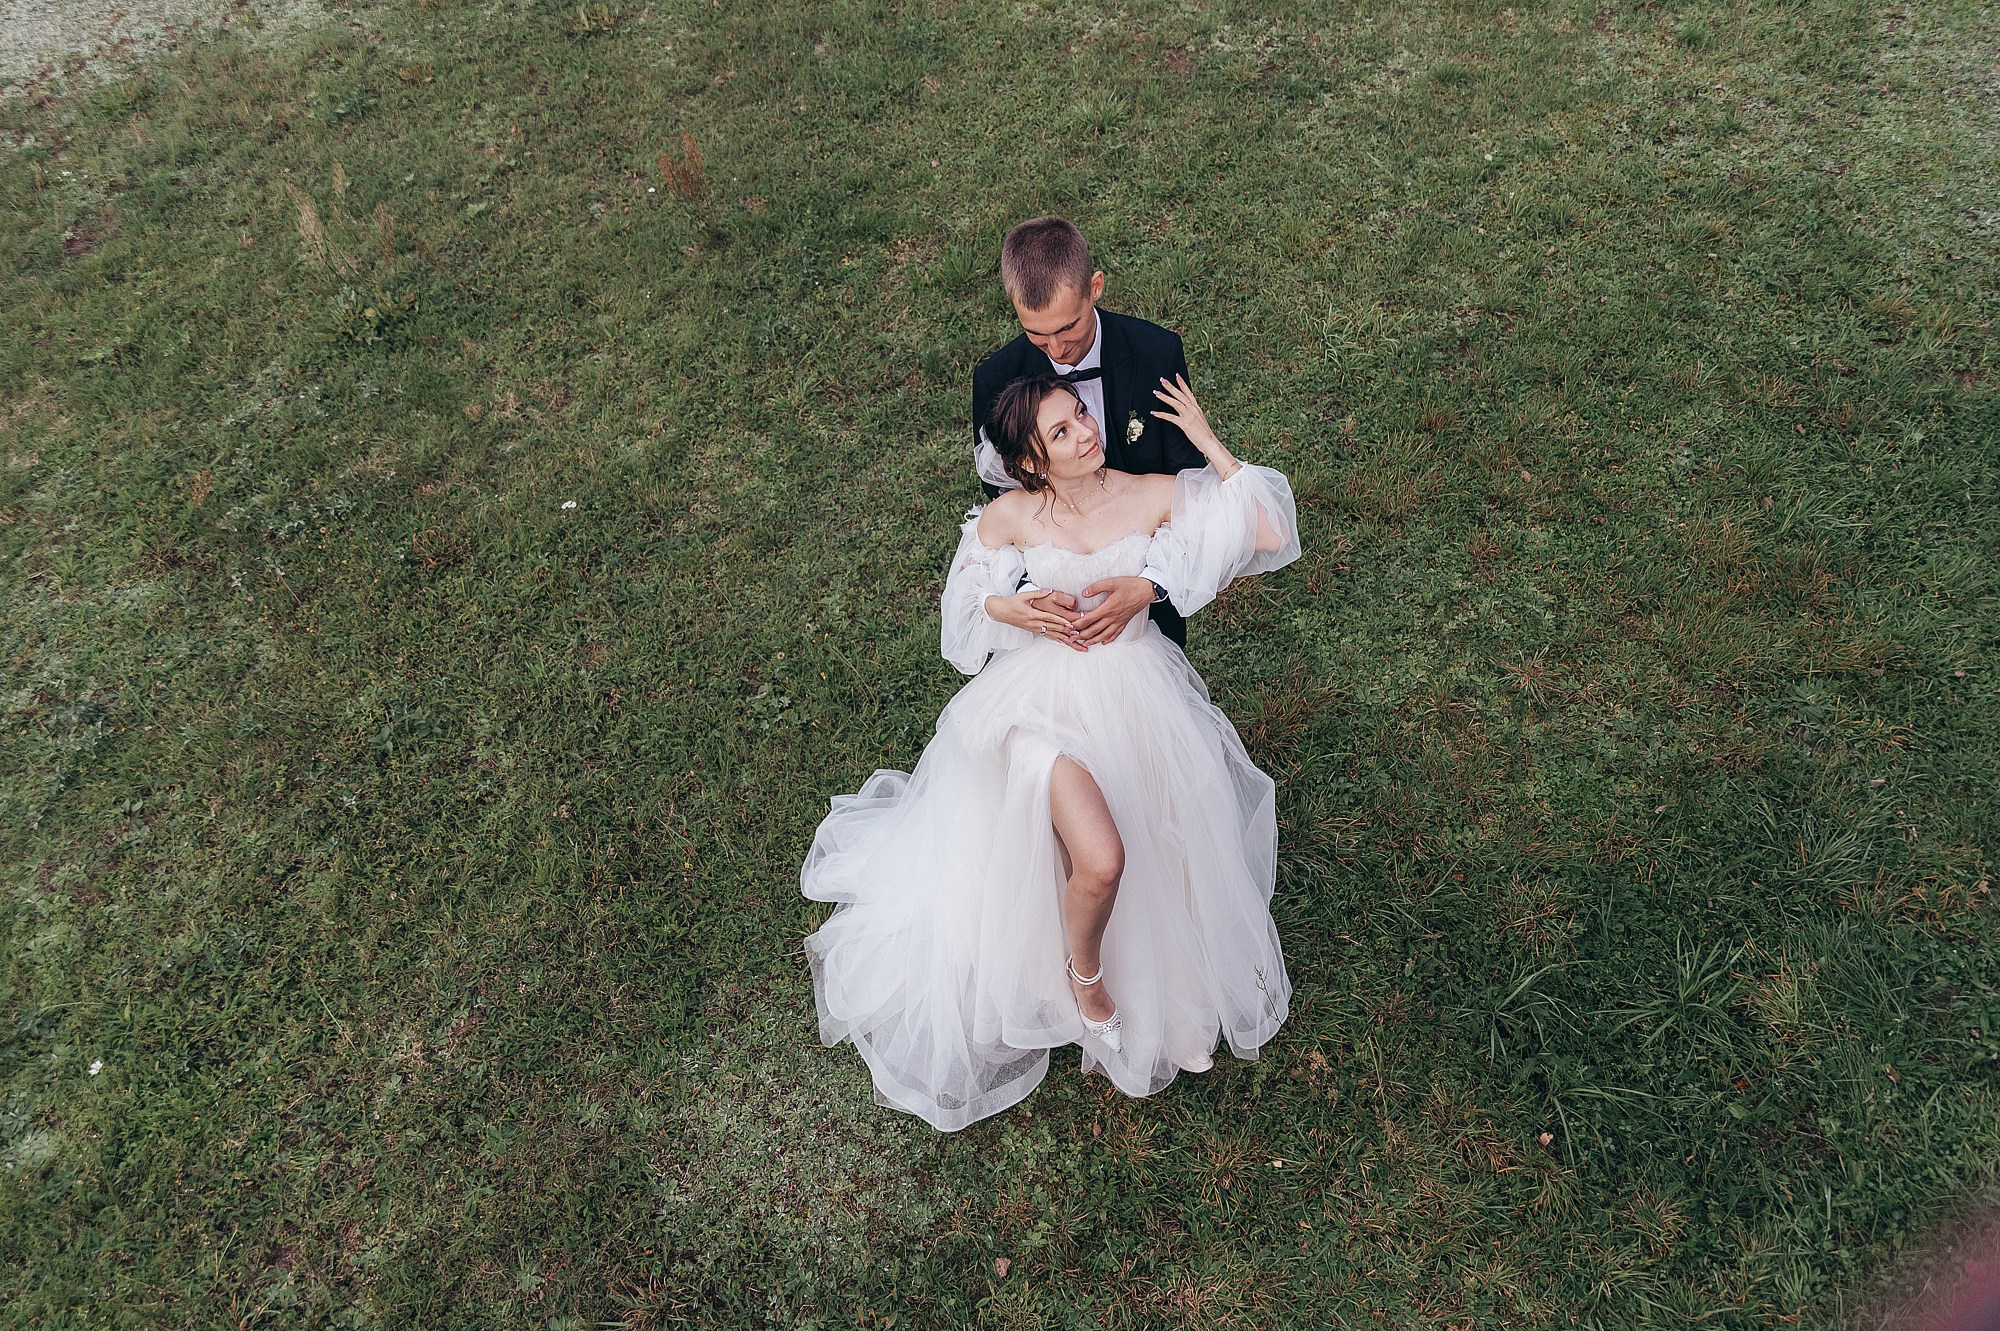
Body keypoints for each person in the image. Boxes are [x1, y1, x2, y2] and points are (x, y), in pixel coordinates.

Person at [802, 372, 1301, 1130]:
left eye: (1079, 414)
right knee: (1102, 858)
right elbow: (965, 611)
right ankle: (1086, 980)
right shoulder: (1011, 515)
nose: (1085, 430)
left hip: (1140, 699)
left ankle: (1164, 986)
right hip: (1038, 710)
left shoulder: (1151, 492)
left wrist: (1208, 444)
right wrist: (1010, 605)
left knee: (1165, 841)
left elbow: (1266, 531)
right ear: (1032, 463)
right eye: (1061, 432)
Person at [972, 217, 1205, 649]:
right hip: (1057, 597)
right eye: (1037, 336)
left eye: (1067, 328)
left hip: (1146, 583)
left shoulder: (1156, 352)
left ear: (1095, 287)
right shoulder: (996, 380)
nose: (1058, 351)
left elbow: (1186, 480)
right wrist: (1028, 592)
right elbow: (1004, 494)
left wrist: (1151, 584)